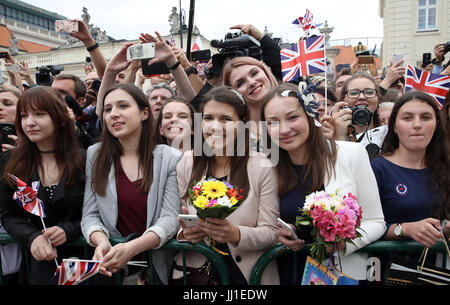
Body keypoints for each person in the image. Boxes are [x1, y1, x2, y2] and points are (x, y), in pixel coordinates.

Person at [261, 82, 385, 283]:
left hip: (342, 275)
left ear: (310, 116)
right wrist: (281, 234)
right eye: (272, 122)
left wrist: (344, 243)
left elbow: (376, 222)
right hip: (287, 273)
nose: (283, 129)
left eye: (292, 117)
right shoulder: (264, 166)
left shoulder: (350, 154)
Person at [173, 86, 280, 285]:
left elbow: (272, 232)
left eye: (226, 119)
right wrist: (184, 233)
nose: (215, 127)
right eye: (208, 118)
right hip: (197, 274)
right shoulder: (187, 162)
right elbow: (175, 217)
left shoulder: (262, 166)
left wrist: (237, 234)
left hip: (247, 276)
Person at [81, 83, 182, 285]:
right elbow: (89, 214)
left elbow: (170, 218)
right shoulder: (96, 154)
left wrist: (132, 248)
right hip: (110, 270)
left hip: (155, 269)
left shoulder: (170, 157)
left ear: (145, 113)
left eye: (123, 106)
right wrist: (101, 242)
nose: (114, 114)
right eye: (108, 109)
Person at [0, 86, 85, 284]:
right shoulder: (11, 161)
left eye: (39, 114)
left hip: (82, 263)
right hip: (36, 266)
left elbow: (98, 212)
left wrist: (69, 230)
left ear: (61, 118)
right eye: (24, 115)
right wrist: (32, 236)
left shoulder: (84, 160)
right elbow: (8, 214)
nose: (30, 122)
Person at [371, 91, 450, 249]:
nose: (417, 125)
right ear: (394, 125)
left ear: (436, 125)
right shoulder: (377, 168)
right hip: (389, 268)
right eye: (407, 118)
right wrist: (404, 229)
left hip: (439, 268)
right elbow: (363, 227)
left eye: (425, 117)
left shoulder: (446, 166)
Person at [332, 72, 387, 159]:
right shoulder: (332, 134)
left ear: (378, 98)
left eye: (369, 92)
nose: (361, 97)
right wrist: (338, 136)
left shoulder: (389, 133)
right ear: (343, 100)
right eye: (354, 93)